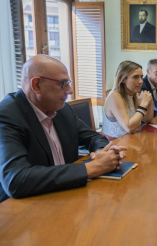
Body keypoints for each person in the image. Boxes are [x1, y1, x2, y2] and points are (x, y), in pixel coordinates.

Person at [0, 55, 126, 203]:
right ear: (36, 85)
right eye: (63, 83)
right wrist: (92, 168)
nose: (70, 90)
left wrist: (102, 153)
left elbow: (94, 137)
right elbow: (16, 180)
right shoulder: (7, 116)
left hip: (66, 195)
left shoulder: (62, 109)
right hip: (25, 208)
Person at [103, 61, 154, 139]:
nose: (141, 81)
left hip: (129, 140)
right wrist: (143, 104)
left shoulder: (133, 94)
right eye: (135, 77)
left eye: (141, 77)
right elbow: (129, 128)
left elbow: (147, 120)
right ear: (123, 79)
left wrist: (149, 102)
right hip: (114, 144)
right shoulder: (114, 96)